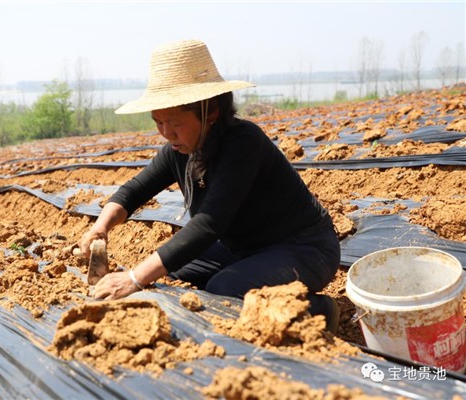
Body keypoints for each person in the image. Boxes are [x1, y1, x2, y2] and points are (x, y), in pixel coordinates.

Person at [77, 39, 341, 332]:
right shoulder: (178, 152)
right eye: (158, 122)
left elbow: (208, 225)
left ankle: (319, 312)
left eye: (174, 123)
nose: (166, 133)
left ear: (210, 112)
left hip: (304, 248)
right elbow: (132, 191)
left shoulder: (243, 143)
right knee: (171, 277)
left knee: (224, 288)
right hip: (241, 248)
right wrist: (100, 227)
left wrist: (134, 278)